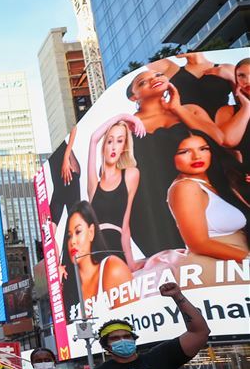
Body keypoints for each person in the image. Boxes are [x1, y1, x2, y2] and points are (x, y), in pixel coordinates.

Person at [123, 69, 225, 258]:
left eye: (157, 75)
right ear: (133, 97)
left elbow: (218, 139)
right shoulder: (125, 126)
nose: (154, 79)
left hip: (201, 198)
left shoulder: (190, 109)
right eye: (142, 82)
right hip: (150, 211)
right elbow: (113, 172)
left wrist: (177, 108)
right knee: (176, 270)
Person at [167, 131, 250, 282]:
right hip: (215, 272)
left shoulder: (217, 183)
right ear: (170, 156)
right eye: (184, 152)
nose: (196, 157)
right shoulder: (186, 187)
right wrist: (247, 258)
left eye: (203, 149)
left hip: (235, 267)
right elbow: (199, 244)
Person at [87, 116, 143, 267]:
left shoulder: (131, 175)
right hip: (95, 253)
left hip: (117, 251)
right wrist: (124, 116)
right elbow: (93, 139)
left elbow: (125, 227)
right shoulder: (93, 185)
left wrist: (131, 263)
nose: (113, 147)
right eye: (109, 141)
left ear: (124, 146)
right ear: (103, 146)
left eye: (119, 141)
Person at [66, 201, 134, 318]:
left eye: (78, 232)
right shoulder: (69, 288)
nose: (73, 241)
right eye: (69, 236)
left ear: (91, 232)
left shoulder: (113, 268)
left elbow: (136, 322)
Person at [214, 58, 250, 167]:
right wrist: (247, 107)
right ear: (236, 79)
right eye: (241, 75)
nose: (247, 80)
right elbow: (228, 141)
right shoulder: (226, 111)